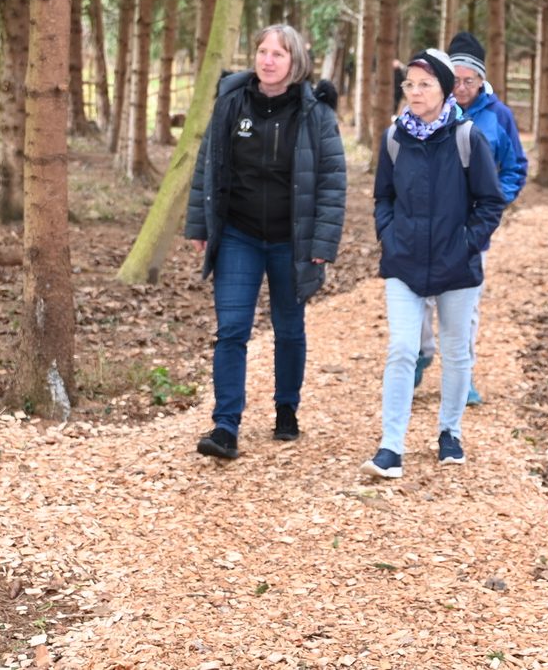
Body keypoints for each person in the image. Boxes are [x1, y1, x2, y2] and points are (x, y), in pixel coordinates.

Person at [185, 24, 346, 461]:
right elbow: (208, 166)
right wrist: (200, 225)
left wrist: (322, 243)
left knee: (289, 328)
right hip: (239, 234)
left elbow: (332, 182)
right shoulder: (231, 102)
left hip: (291, 240)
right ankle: (225, 425)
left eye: (279, 53)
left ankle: (286, 408)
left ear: (295, 63)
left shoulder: (316, 114)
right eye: (262, 51)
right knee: (232, 329)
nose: (268, 60)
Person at [362, 48, 504, 478]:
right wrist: (389, 237)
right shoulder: (394, 138)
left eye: (425, 84)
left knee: (456, 352)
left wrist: (467, 242)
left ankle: (450, 432)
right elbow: (383, 197)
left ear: (445, 90)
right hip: (404, 262)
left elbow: (490, 201)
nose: (415, 92)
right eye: (410, 84)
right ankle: (391, 447)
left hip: (456, 265)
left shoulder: (467, 137)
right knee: (403, 349)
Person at [412, 30, 527, 405]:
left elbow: (515, 167)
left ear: (481, 80)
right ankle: (423, 351)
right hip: (426, 223)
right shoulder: (428, 107)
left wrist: (492, 202)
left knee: (466, 302)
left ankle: (463, 372)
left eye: (469, 80)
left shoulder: (499, 116)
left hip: (473, 227)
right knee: (421, 296)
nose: (461, 87)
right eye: (455, 79)